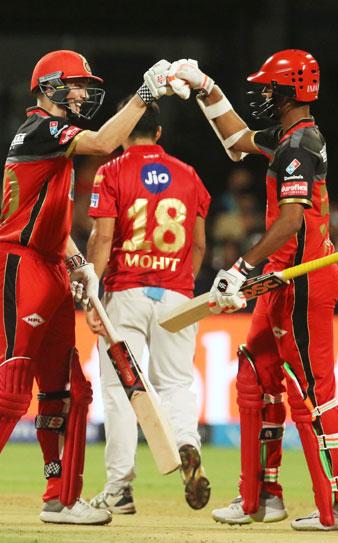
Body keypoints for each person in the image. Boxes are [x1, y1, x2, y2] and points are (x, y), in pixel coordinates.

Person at [0, 49, 175, 524]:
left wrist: (79, 262)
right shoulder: (41, 130)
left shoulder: (55, 142)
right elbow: (108, 141)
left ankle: (61, 497)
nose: (84, 93)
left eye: (86, 86)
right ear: (48, 87)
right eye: (77, 84)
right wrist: (146, 94)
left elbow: (49, 220)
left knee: (68, 387)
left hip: (50, 263)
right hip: (16, 262)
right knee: (13, 380)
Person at [169, 50, 338, 531]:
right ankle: (263, 495)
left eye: (269, 89)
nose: (262, 96)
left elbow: (292, 221)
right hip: (280, 280)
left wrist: (239, 266)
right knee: (255, 376)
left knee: (314, 392)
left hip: (301, 281)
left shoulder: (300, 146)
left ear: (290, 91)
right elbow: (236, 142)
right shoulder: (288, 137)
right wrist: (205, 87)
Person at [83, 98, 211, 514]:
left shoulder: (112, 171)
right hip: (176, 291)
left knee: (122, 390)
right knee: (175, 384)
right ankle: (188, 443)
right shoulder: (189, 176)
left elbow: (103, 239)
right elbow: (199, 244)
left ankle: (120, 488)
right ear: (159, 133)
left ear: (123, 133)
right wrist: (181, 287)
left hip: (126, 292)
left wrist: (91, 293)